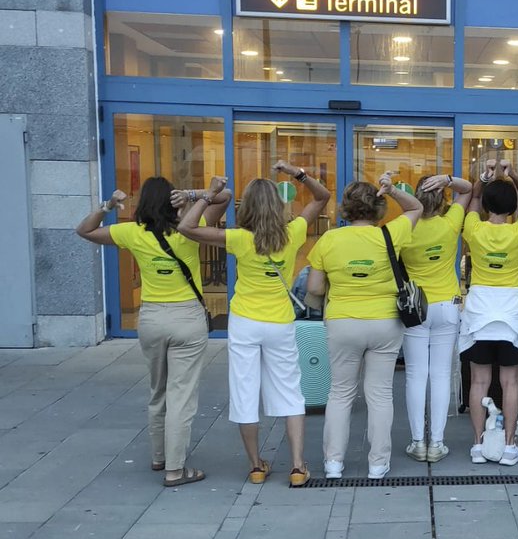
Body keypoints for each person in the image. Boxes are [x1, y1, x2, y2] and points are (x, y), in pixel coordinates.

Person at [179, 161, 330, 487]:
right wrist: (295, 172)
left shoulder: (238, 238)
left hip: (246, 323)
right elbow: (322, 197)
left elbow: (187, 228)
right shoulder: (293, 234)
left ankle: (256, 466)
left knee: (245, 393)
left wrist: (207, 195)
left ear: (246, 208)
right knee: (291, 393)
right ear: (278, 205)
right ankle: (298, 467)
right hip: (280, 323)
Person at [76, 177, 231, 486]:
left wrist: (108, 205)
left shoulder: (132, 233)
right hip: (187, 318)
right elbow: (224, 197)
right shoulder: (190, 227)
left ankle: (159, 457)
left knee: (157, 391)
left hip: (150, 319)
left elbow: (85, 231)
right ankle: (176, 470)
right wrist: (193, 194)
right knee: (181, 396)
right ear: (172, 201)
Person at [304, 177, 423, 480]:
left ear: (346, 208)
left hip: (343, 322)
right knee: (380, 394)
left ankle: (333, 463)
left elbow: (315, 287)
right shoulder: (390, 234)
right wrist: (394, 190)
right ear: (378, 208)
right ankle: (378, 464)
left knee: (340, 393)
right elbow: (416, 207)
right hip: (385, 322)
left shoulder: (329, 240)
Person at [459, 159, 518, 466]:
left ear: (487, 204)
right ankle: (509, 444)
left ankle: (478, 445)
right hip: (512, 312)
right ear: (512, 206)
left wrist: (485, 178)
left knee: (478, 382)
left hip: (479, 310)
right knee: (510, 383)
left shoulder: (473, 229)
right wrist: (510, 172)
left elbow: (473, 199)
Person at [398, 171, 474, 463]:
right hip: (447, 306)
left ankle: (418, 441)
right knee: (441, 374)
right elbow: (468, 190)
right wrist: (448, 179)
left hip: (417, 307)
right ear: (442, 197)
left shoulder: (406, 228)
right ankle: (437, 443)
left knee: (416, 375)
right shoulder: (450, 222)